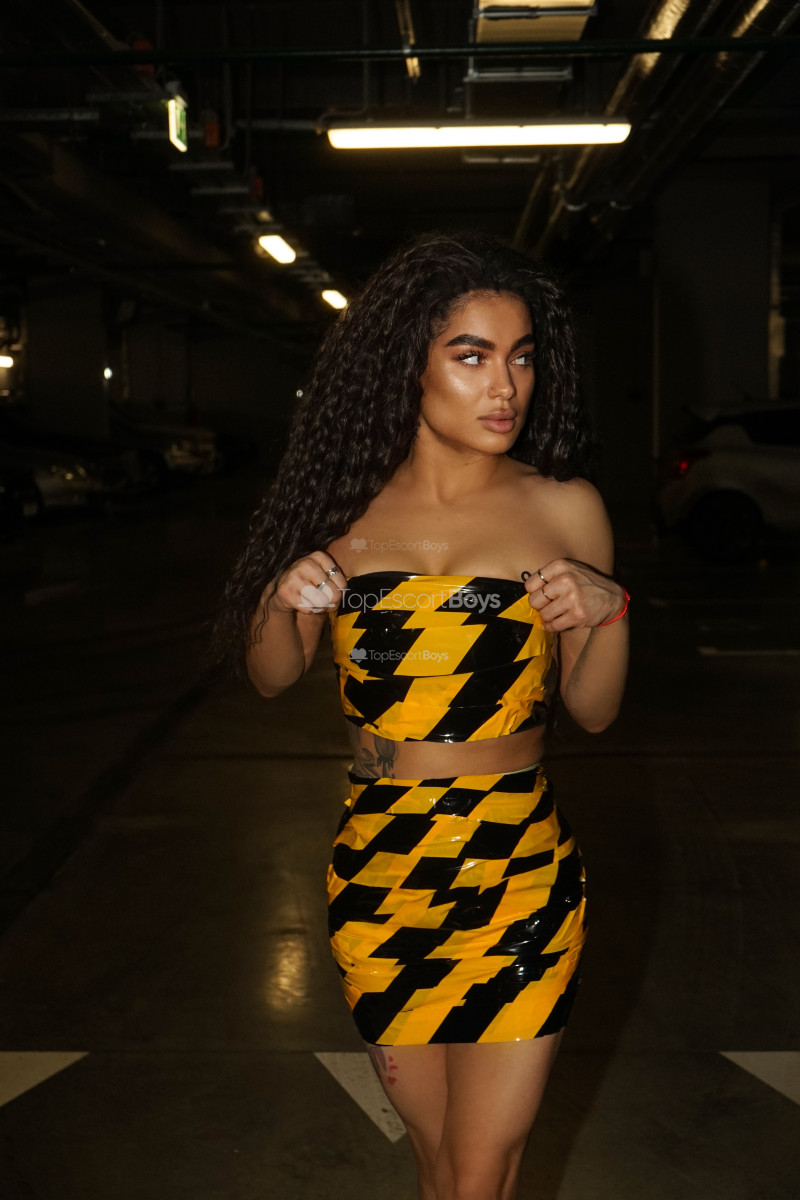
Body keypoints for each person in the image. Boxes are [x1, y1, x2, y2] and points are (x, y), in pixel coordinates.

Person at [216, 231, 629, 1200]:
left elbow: (594, 710)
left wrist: (607, 614)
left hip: (515, 871)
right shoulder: (340, 508)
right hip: (382, 868)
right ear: (409, 364)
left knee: (479, 1174)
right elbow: (272, 676)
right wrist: (280, 597)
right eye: (472, 357)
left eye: (521, 357)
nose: (506, 387)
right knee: (441, 1167)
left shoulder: (564, 508)